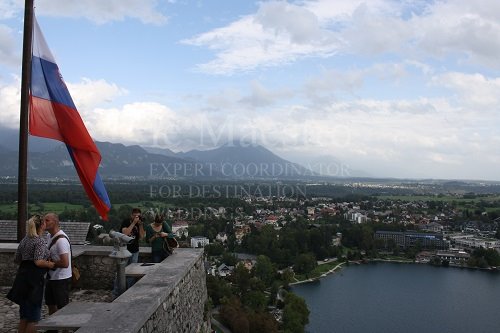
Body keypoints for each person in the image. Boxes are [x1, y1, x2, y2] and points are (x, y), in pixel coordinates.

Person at [7, 215, 55, 333]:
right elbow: (38, 261)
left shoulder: (25, 239)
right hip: (33, 281)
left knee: (24, 316)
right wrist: (50, 265)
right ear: (42, 225)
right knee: (33, 318)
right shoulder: (39, 241)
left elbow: (17, 259)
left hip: (22, 278)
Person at [44, 212, 72, 323]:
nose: (44, 223)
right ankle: (53, 328)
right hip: (51, 277)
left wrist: (49, 263)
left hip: (61, 279)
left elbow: (65, 263)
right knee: (51, 304)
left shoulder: (61, 240)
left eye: (47, 220)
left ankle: (65, 328)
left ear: (55, 222)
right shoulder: (49, 236)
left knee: (63, 307)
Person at [112, 208, 145, 297]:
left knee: (132, 273)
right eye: (135, 216)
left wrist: (141, 225)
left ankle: (129, 293)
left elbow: (142, 236)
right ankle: (115, 294)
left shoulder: (139, 224)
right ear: (131, 215)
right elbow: (125, 233)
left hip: (135, 251)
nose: (137, 217)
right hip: (124, 251)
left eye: (138, 216)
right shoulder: (126, 222)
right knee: (120, 273)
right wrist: (133, 223)